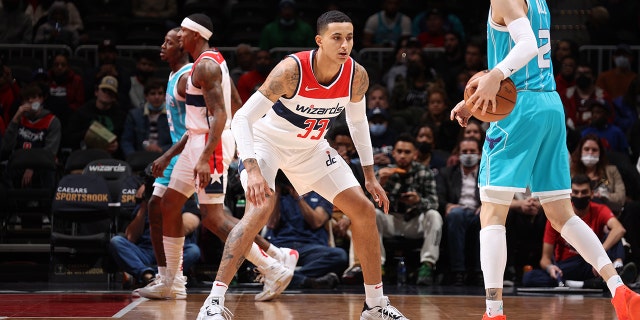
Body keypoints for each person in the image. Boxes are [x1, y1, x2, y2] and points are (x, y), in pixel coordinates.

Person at [198, 10, 408, 320]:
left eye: (349, 37)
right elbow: (242, 117)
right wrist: (252, 168)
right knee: (260, 209)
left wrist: (369, 175)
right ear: (320, 41)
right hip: (266, 142)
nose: (344, 44)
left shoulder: (356, 75)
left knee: (363, 210)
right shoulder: (291, 70)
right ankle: (213, 303)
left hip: (310, 149)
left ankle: (375, 305)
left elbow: (357, 121)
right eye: (337, 37)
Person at [449, 1, 640, 319]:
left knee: (492, 212)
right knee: (562, 214)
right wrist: (476, 98)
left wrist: (495, 76)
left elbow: (525, 46)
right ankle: (619, 289)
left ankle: (493, 312)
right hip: (549, 104)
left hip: (519, 108)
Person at [139, 16, 298, 302]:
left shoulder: (207, 65)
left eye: (183, 33)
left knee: (212, 218)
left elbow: (222, 114)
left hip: (209, 144)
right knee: (168, 203)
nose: (178, 36)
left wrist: (209, 154)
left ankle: (272, 267)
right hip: (200, 141)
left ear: (195, 36)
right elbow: (236, 102)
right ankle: (172, 281)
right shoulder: (210, 62)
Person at [522, 174, 635, 288]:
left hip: (593, 265)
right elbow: (545, 259)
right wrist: (550, 267)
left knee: (614, 235)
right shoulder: (557, 215)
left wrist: (599, 256)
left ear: (591, 194)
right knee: (529, 277)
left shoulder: (599, 210)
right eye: (576, 192)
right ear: (570, 194)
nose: (580, 196)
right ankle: (592, 283)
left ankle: (616, 270)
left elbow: (619, 229)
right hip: (568, 265)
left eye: (584, 192)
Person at [376, 134, 442, 286]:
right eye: (399, 151)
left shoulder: (424, 172)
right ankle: (378, 266)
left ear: (415, 154)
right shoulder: (384, 173)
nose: (402, 156)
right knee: (373, 214)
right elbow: (367, 205)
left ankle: (427, 265)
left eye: (407, 152)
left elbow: (434, 203)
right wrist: (381, 184)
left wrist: (419, 201)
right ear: (393, 153)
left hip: (414, 221)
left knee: (434, 215)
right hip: (391, 219)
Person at [109, 181, 200, 288]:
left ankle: (150, 275)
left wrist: (169, 208)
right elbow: (131, 237)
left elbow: (185, 228)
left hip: (171, 253)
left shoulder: (186, 204)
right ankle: (149, 276)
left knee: (193, 250)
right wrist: (143, 207)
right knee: (116, 241)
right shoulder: (147, 205)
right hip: (146, 251)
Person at [265, 170, 346, 289]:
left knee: (339, 256)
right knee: (253, 258)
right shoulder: (276, 195)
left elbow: (316, 222)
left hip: (310, 246)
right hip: (281, 246)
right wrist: (276, 192)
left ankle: (289, 278)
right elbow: (271, 223)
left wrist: (298, 198)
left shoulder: (321, 194)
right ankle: (306, 281)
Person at [436, 137, 482, 286]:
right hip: (457, 211)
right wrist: (447, 205)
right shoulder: (447, 173)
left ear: (480, 154)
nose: (469, 154)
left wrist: (486, 206)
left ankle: (478, 272)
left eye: (472, 151)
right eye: (465, 151)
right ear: (458, 154)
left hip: (478, 211)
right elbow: (439, 196)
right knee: (456, 215)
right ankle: (458, 272)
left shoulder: (487, 174)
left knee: (485, 217)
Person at [0, 83, 60, 190]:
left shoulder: (52, 121)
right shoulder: (19, 119)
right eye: (27, 99)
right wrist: (15, 119)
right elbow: (6, 147)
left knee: (48, 170)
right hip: (18, 164)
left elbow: (50, 151)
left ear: (41, 99)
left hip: (41, 165)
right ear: (22, 103)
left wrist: (32, 167)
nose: (31, 101)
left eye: (34, 97)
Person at [120, 78, 171, 158]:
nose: (157, 97)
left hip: (164, 157)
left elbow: (177, 142)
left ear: (164, 96)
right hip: (140, 158)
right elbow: (126, 141)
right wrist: (133, 158)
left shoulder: (171, 115)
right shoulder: (134, 115)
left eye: (160, 93)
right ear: (146, 96)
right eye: (153, 94)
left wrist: (162, 150)